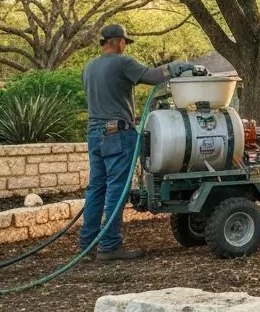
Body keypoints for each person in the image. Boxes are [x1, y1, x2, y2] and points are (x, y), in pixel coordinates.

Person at [80, 23, 200, 260]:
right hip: (117, 135)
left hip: (94, 133)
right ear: (121, 42)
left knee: (96, 189)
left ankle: (87, 245)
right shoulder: (122, 62)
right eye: (125, 43)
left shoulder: (89, 67)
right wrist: (178, 67)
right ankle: (110, 246)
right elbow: (153, 77)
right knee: (116, 189)